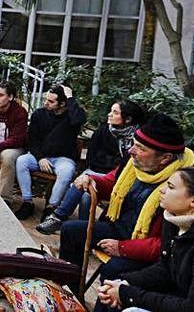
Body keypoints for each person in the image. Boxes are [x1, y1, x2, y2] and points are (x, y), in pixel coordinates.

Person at [51, 114, 194, 306]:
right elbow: (112, 183)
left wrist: (123, 248)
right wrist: (92, 180)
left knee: (114, 269)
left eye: (141, 148)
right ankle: (70, 296)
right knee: (71, 230)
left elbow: (169, 243)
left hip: (151, 249)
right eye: (134, 144)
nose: (131, 150)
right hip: (120, 228)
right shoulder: (134, 164)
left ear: (165, 158)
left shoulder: (185, 185)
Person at [97, 167, 194, 312]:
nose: (162, 190)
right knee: (113, 289)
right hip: (180, 297)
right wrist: (124, 284)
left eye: (170, 187)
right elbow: (166, 269)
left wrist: (128, 294)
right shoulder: (175, 221)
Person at [36, 100, 146, 233]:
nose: (109, 115)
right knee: (84, 185)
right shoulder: (103, 130)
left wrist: (110, 164)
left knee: (86, 191)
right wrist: (112, 164)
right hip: (97, 171)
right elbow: (92, 158)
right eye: (111, 111)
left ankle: (69, 223)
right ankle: (77, 227)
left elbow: (126, 164)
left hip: (121, 179)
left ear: (128, 119)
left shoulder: (138, 139)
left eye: (115, 112)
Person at [12, 85, 86, 220]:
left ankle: (51, 207)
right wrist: (40, 158)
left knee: (66, 171)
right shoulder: (39, 114)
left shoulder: (71, 116)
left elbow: (79, 119)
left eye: (51, 101)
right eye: (46, 99)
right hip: (40, 156)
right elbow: (32, 139)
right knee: (22, 161)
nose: (46, 103)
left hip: (63, 158)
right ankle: (27, 202)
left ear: (62, 104)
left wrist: (70, 98)